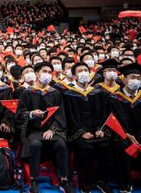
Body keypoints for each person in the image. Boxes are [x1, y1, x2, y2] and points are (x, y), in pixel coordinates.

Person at [16, 62, 75, 193]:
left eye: (50, 72)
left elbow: (61, 114)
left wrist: (52, 129)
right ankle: (33, 179)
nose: (47, 75)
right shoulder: (27, 93)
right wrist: (31, 114)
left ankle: (64, 179)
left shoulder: (55, 93)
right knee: (35, 144)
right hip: (34, 130)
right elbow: (19, 114)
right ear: (37, 74)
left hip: (51, 130)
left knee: (61, 144)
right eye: (45, 71)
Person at [63, 62, 112, 193]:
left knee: (105, 145)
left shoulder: (97, 92)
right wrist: (82, 132)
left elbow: (102, 114)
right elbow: (69, 117)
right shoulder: (68, 94)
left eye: (86, 70)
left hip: (96, 130)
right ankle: (87, 181)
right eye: (80, 70)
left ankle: (102, 180)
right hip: (78, 132)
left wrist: (99, 129)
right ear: (74, 76)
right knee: (87, 147)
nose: (84, 72)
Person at [107, 63, 141, 193]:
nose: (136, 81)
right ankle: (125, 182)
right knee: (123, 144)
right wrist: (126, 134)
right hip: (121, 133)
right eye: (133, 77)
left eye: (139, 78)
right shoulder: (114, 98)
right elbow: (112, 119)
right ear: (124, 79)